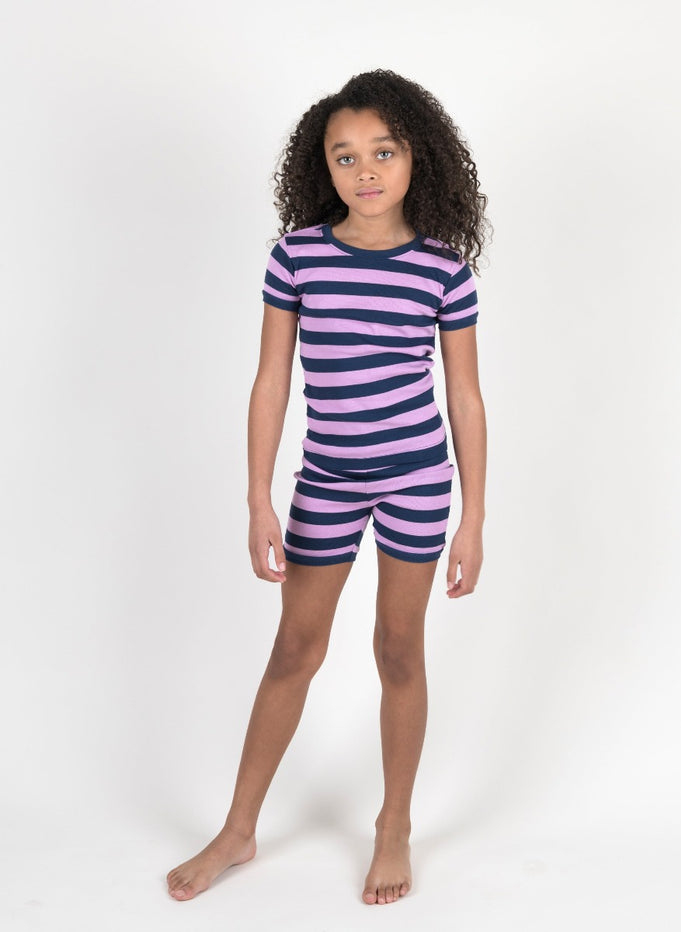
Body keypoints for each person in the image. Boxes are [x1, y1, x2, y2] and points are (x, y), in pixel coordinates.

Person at [167, 68, 491, 906]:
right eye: (345, 156)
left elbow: (464, 396)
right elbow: (271, 381)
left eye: (384, 151)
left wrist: (474, 518)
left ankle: (394, 825)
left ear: (418, 158)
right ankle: (238, 829)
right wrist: (258, 498)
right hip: (327, 481)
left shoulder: (444, 271)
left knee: (399, 650)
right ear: (324, 169)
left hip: (418, 481)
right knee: (294, 650)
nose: (365, 171)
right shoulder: (298, 256)